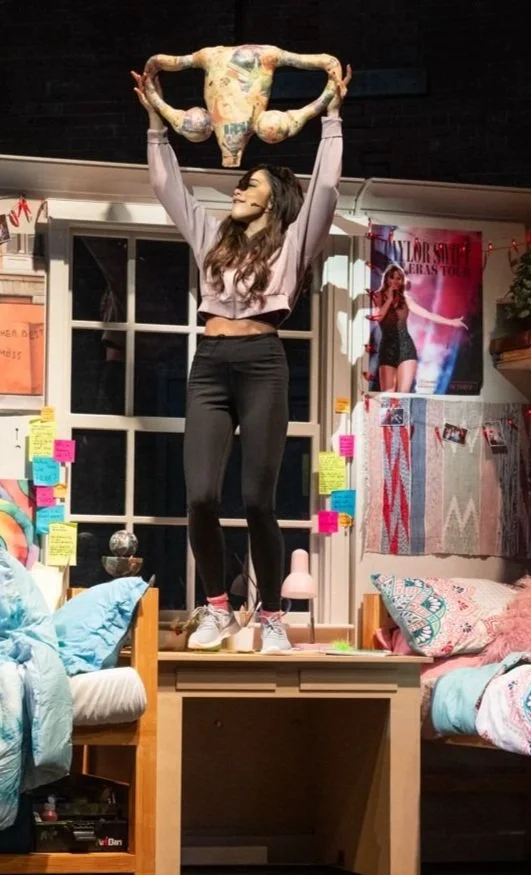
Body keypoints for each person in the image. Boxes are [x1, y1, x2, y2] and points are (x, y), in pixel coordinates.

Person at [133, 61, 348, 654]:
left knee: (257, 499)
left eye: (250, 184)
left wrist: (330, 118)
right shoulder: (211, 238)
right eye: (241, 182)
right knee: (200, 494)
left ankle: (272, 616)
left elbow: (325, 190)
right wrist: (157, 121)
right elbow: (167, 187)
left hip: (262, 363)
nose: (238, 189)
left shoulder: (291, 243)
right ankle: (217, 608)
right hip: (210, 364)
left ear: (274, 199)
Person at [367, 262, 468, 394]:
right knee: (388, 396)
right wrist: (390, 298)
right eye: (393, 277)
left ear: (402, 281)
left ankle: (402, 415)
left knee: (402, 395)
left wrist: (451, 322)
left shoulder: (405, 300)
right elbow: (377, 318)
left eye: (399, 278)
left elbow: (428, 314)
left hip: (406, 348)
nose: (396, 281)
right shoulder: (378, 296)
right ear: (387, 278)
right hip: (387, 348)